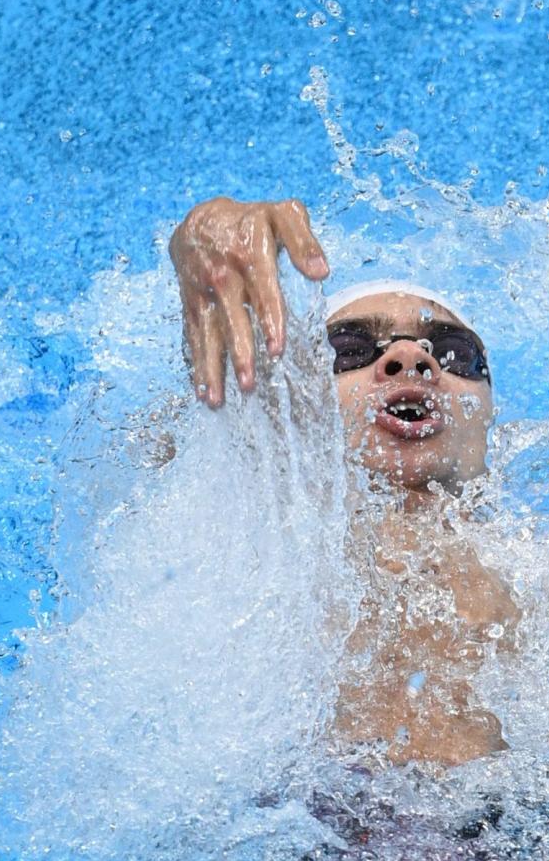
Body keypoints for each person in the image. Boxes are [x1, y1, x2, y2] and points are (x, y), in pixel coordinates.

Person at [170, 195, 521, 775]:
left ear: (490, 418)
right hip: (313, 834)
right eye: (352, 349)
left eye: (454, 353)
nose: (410, 358)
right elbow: (191, 429)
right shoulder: (260, 530)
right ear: (300, 405)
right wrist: (199, 238)